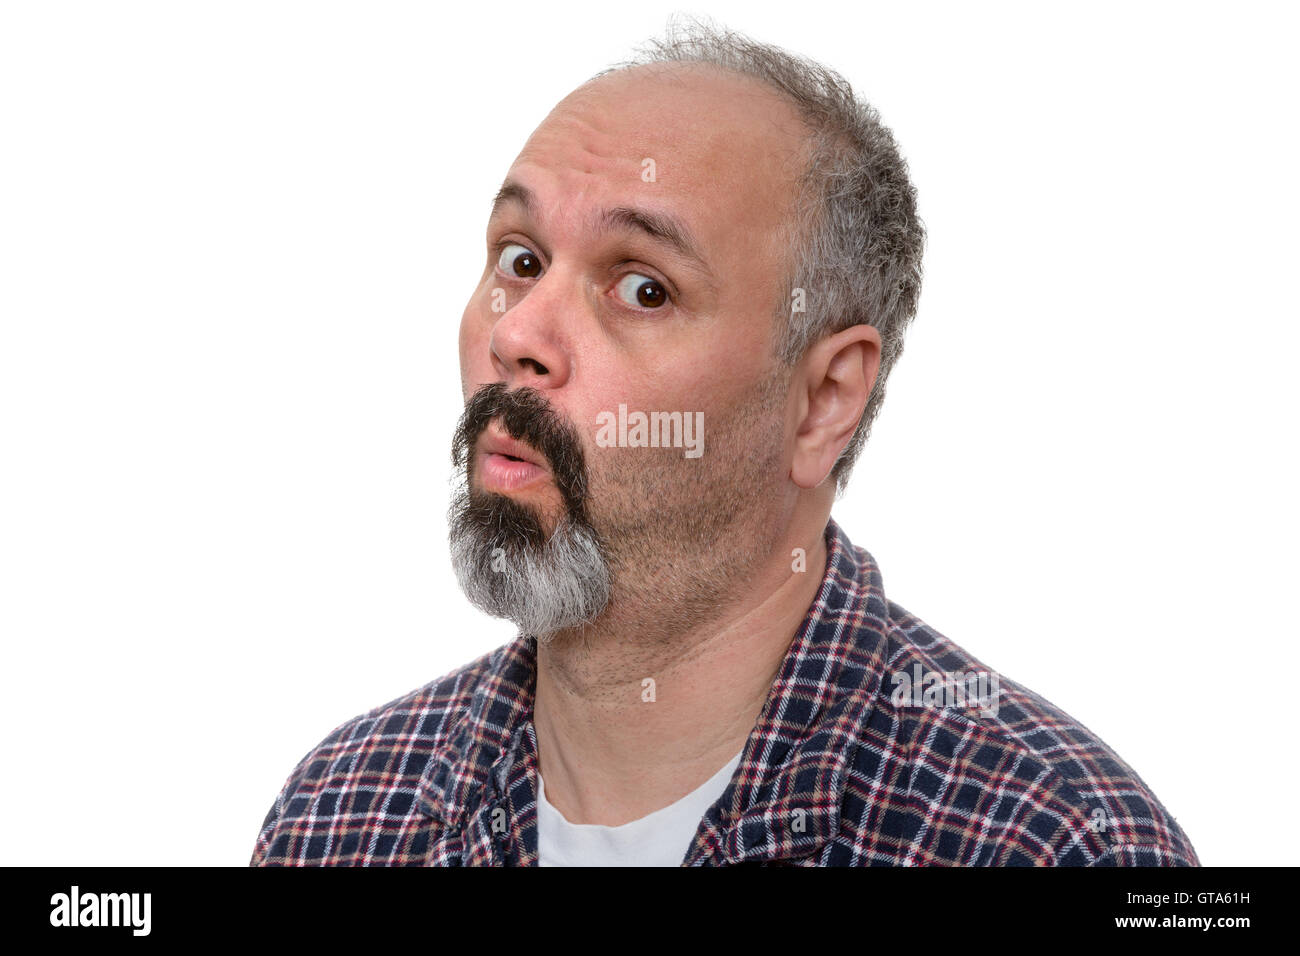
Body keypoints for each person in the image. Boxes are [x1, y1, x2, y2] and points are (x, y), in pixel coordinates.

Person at [250, 17, 1198, 867]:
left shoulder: (1058, 843)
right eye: (520, 259)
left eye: (643, 287)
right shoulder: (341, 817)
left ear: (825, 399)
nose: (517, 336)